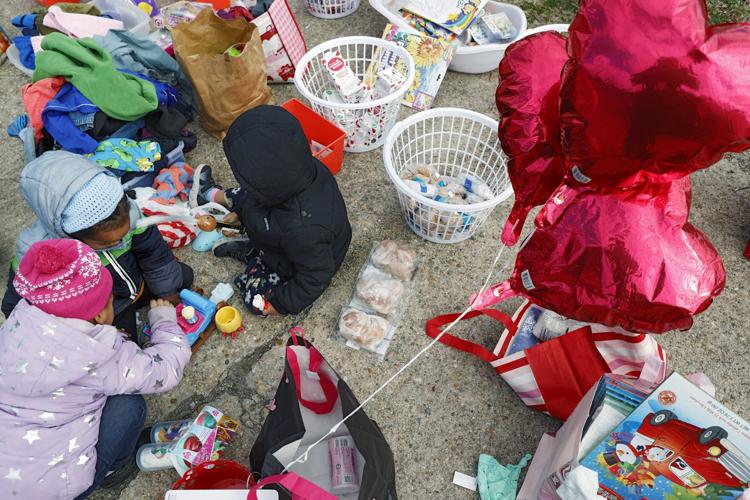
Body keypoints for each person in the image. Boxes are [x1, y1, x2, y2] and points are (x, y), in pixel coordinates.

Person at [0, 239, 191, 499]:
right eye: (111, 301)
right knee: (129, 405)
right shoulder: (100, 357)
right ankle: (111, 471)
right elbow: (165, 371)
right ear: (100, 316)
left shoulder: (17, 324)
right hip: (58, 489)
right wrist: (164, 323)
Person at [1, 150, 193, 337]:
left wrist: (167, 291)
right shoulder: (37, 254)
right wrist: (89, 334)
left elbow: (154, 254)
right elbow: (15, 308)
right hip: (110, 307)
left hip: (138, 282)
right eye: (108, 243)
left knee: (182, 277)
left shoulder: (130, 215)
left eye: (123, 235)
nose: (119, 242)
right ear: (73, 235)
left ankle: (146, 294)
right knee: (124, 344)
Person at [192, 105, 352, 316]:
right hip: (277, 218)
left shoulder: (305, 231)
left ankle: (252, 253)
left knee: (255, 298)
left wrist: (280, 304)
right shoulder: (300, 166)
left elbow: (315, 278)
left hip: (295, 258)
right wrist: (241, 211)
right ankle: (214, 196)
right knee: (246, 195)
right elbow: (256, 194)